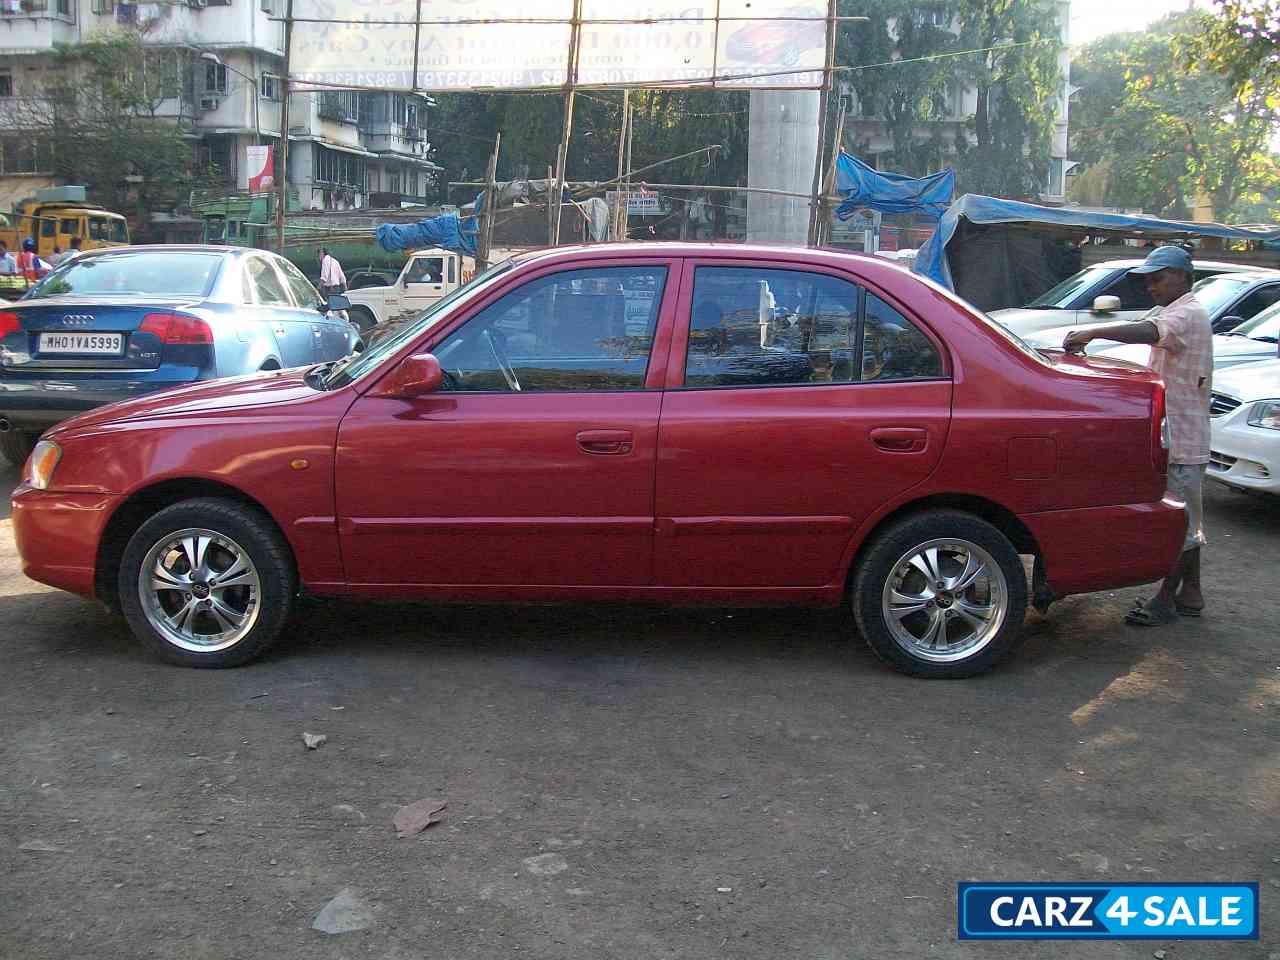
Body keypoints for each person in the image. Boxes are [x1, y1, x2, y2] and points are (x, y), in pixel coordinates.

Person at [1062, 244, 1211, 626]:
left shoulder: (1188, 313)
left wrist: (1093, 331)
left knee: (1179, 520)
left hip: (1183, 435)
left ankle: (1165, 600)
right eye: (1148, 280)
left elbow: (1148, 332)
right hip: (1177, 432)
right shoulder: (1170, 309)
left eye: (1158, 278)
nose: (1152, 286)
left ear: (1182, 277)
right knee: (1186, 516)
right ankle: (1190, 593)